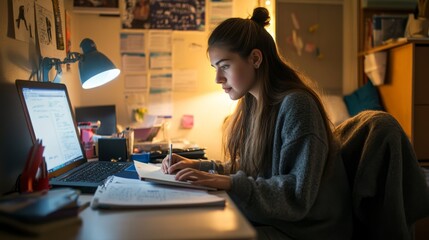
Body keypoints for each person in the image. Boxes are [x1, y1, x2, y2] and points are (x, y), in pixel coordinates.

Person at [161, 7, 352, 240]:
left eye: (225, 66)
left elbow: (296, 195)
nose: (218, 79)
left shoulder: (298, 106)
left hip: (306, 231)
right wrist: (199, 166)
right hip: (276, 222)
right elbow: (253, 168)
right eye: (216, 68)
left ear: (255, 58)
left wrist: (229, 183)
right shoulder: (252, 105)